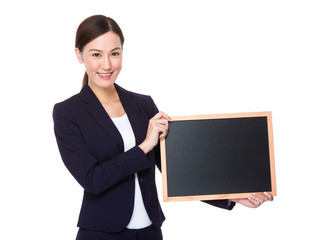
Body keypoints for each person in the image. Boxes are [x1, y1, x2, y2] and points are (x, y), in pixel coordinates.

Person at [53, 15, 273, 240]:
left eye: (115, 53)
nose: (107, 64)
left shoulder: (143, 104)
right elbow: (93, 180)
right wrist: (145, 145)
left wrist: (230, 196)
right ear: (79, 55)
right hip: (101, 233)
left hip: (150, 231)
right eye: (96, 54)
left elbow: (174, 169)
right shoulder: (68, 113)